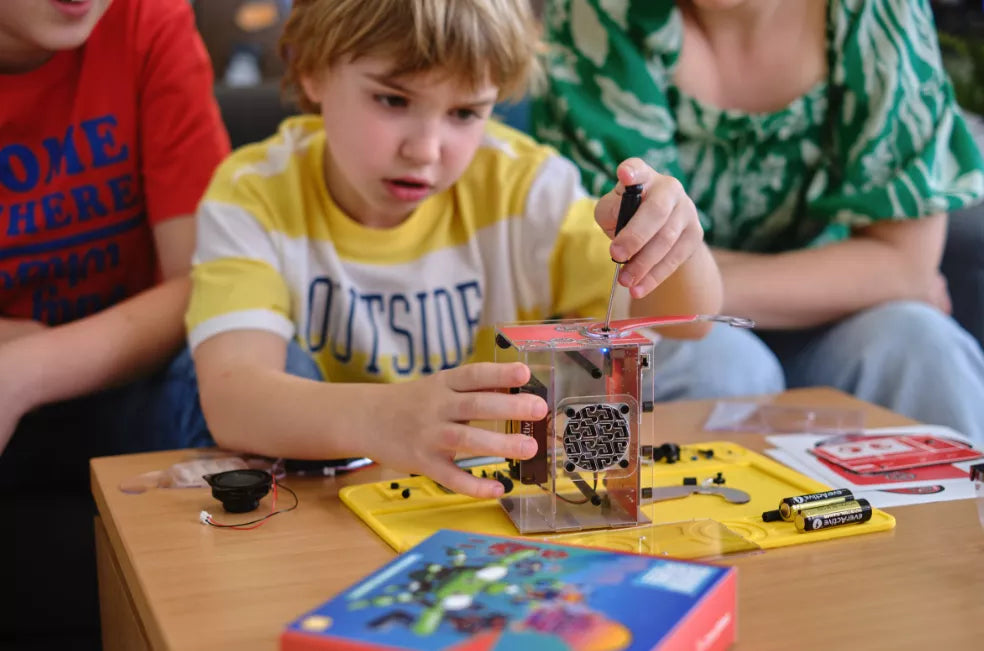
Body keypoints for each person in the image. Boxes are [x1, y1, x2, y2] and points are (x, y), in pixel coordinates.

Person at [187, 0, 724, 499]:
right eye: (392, 100)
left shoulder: (527, 187)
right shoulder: (254, 192)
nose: (424, 150)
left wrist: (677, 241)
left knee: (734, 362)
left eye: (465, 113)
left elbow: (689, 324)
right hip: (323, 490)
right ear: (312, 70)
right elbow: (233, 400)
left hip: (484, 488)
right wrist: (381, 419)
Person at [533, 0, 984, 445]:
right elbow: (603, 257)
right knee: (720, 363)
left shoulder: (879, 11)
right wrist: (865, 273)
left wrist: (694, 285)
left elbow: (905, 266)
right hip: (675, 333)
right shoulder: (597, 11)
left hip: (833, 324)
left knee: (924, 349)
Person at [0, 0, 228, 643]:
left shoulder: (146, 21)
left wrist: (24, 370)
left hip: (121, 384)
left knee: (265, 371)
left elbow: (203, 283)